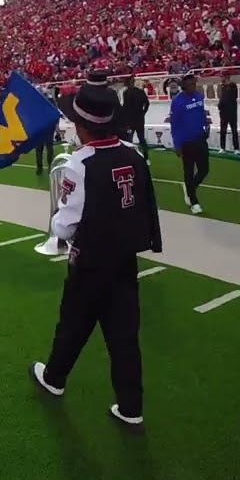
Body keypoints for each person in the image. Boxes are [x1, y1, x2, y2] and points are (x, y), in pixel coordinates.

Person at [29, 87, 162, 428]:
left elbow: (67, 224)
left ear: (82, 125)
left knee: (73, 323)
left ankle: (55, 378)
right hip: (124, 260)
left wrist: (56, 223)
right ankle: (131, 406)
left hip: (90, 260)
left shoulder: (80, 164)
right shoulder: (134, 154)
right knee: (124, 334)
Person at [169, 73, 210, 215]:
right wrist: (177, 144)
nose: (194, 86)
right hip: (187, 142)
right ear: (184, 86)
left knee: (204, 170)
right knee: (188, 170)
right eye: (191, 84)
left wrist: (206, 126)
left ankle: (189, 187)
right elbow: (174, 125)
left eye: (194, 83)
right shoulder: (178, 102)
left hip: (200, 138)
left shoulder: (199, 96)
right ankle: (194, 201)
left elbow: (201, 113)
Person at [120, 75, 151, 160]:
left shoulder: (126, 93)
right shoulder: (140, 92)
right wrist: (143, 113)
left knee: (129, 138)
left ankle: (129, 156)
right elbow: (147, 104)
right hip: (140, 119)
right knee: (141, 138)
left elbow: (126, 107)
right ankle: (146, 157)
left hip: (130, 120)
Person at [217, 74, 240, 152]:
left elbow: (225, 99)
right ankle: (222, 147)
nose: (221, 79)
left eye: (222, 77)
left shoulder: (232, 86)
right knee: (223, 131)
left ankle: (236, 148)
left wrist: (220, 106)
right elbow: (222, 99)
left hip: (231, 112)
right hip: (224, 113)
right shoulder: (223, 87)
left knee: (234, 131)